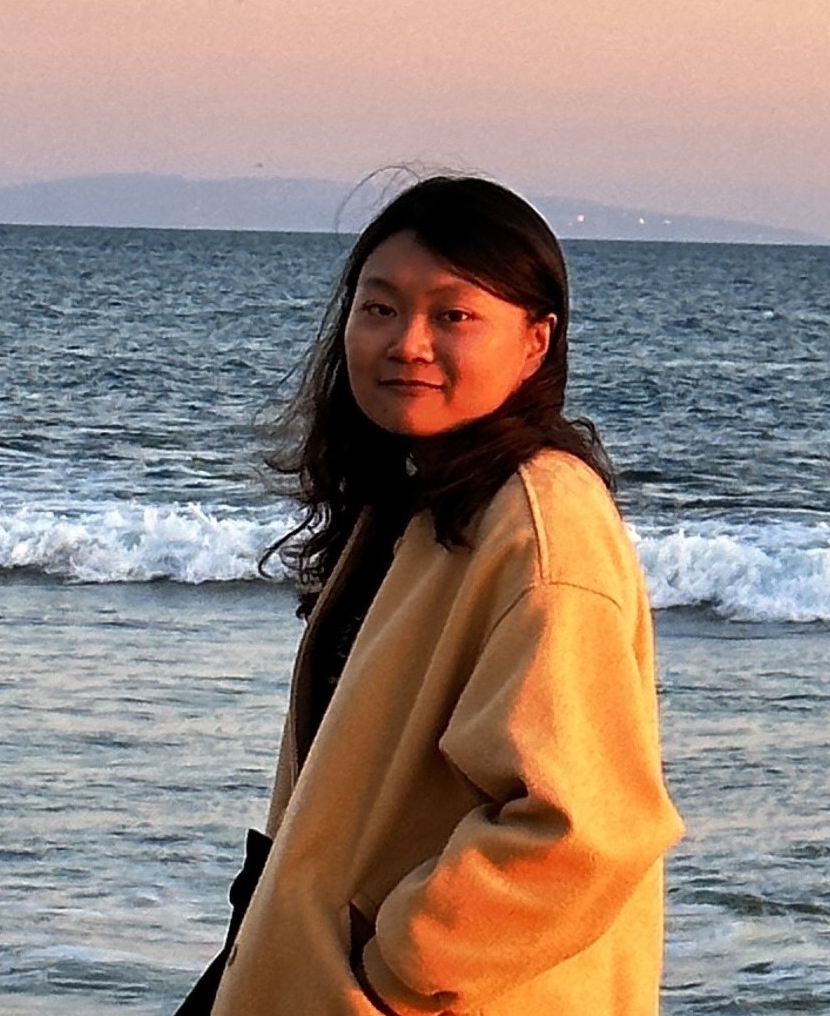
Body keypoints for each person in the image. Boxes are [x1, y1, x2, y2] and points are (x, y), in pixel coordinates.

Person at [198, 174, 683, 1015]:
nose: (406, 342)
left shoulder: (537, 520)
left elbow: (583, 830)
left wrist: (398, 969)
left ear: (535, 341)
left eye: (452, 315)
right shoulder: (417, 501)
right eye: (379, 308)